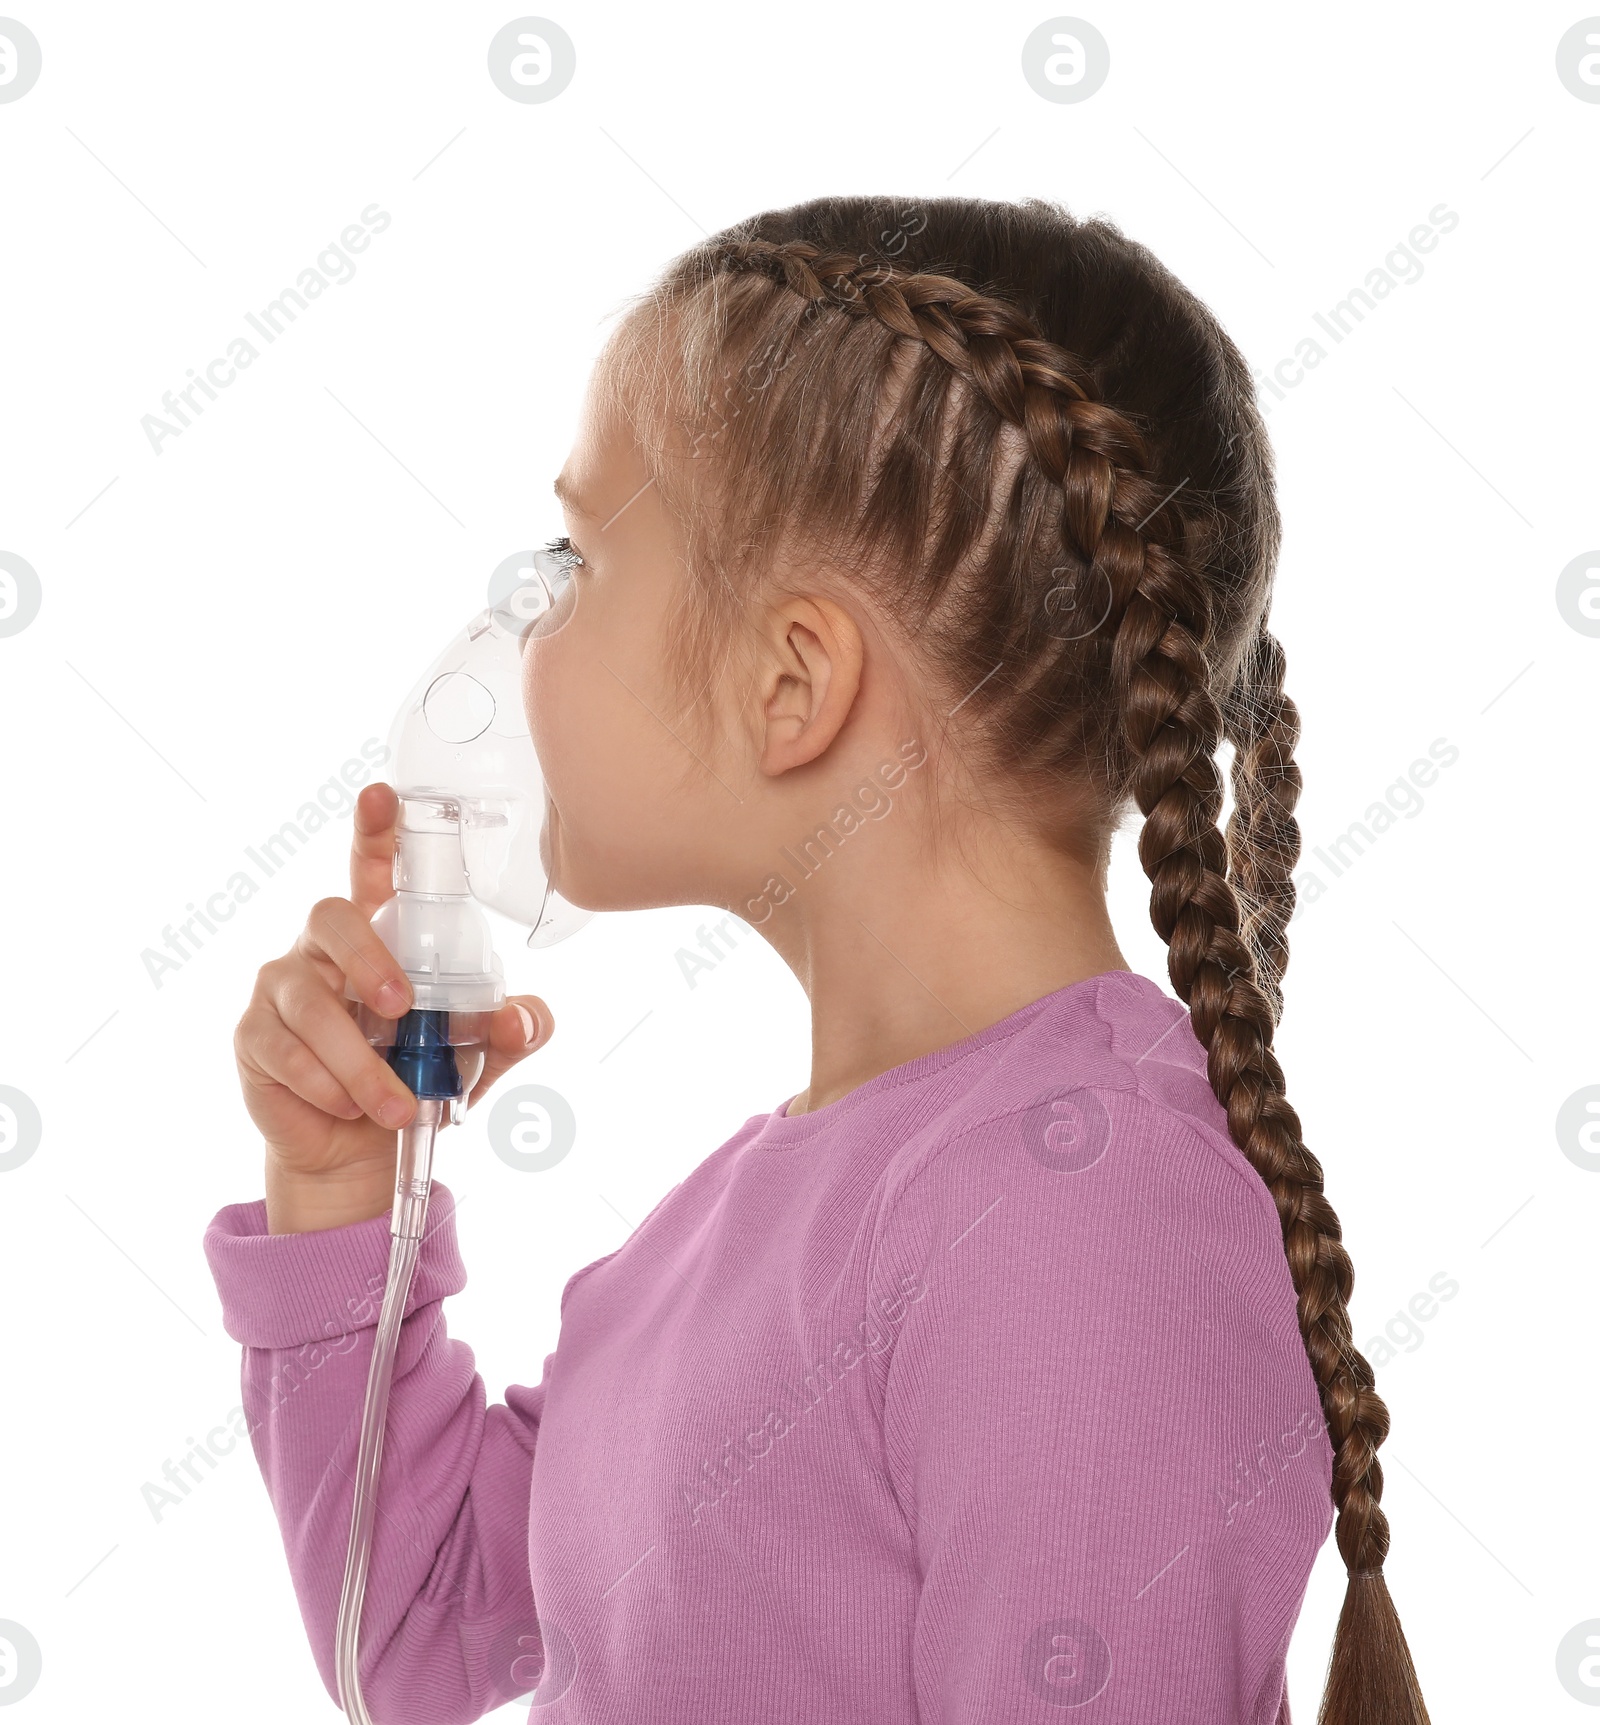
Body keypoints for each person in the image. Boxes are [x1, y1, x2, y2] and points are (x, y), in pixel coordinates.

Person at [205, 195, 1432, 1723]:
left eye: (575, 560)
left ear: (792, 679)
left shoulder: (1085, 1212)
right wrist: (335, 1185)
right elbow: (422, 1627)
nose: (519, 629)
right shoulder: (764, 1210)